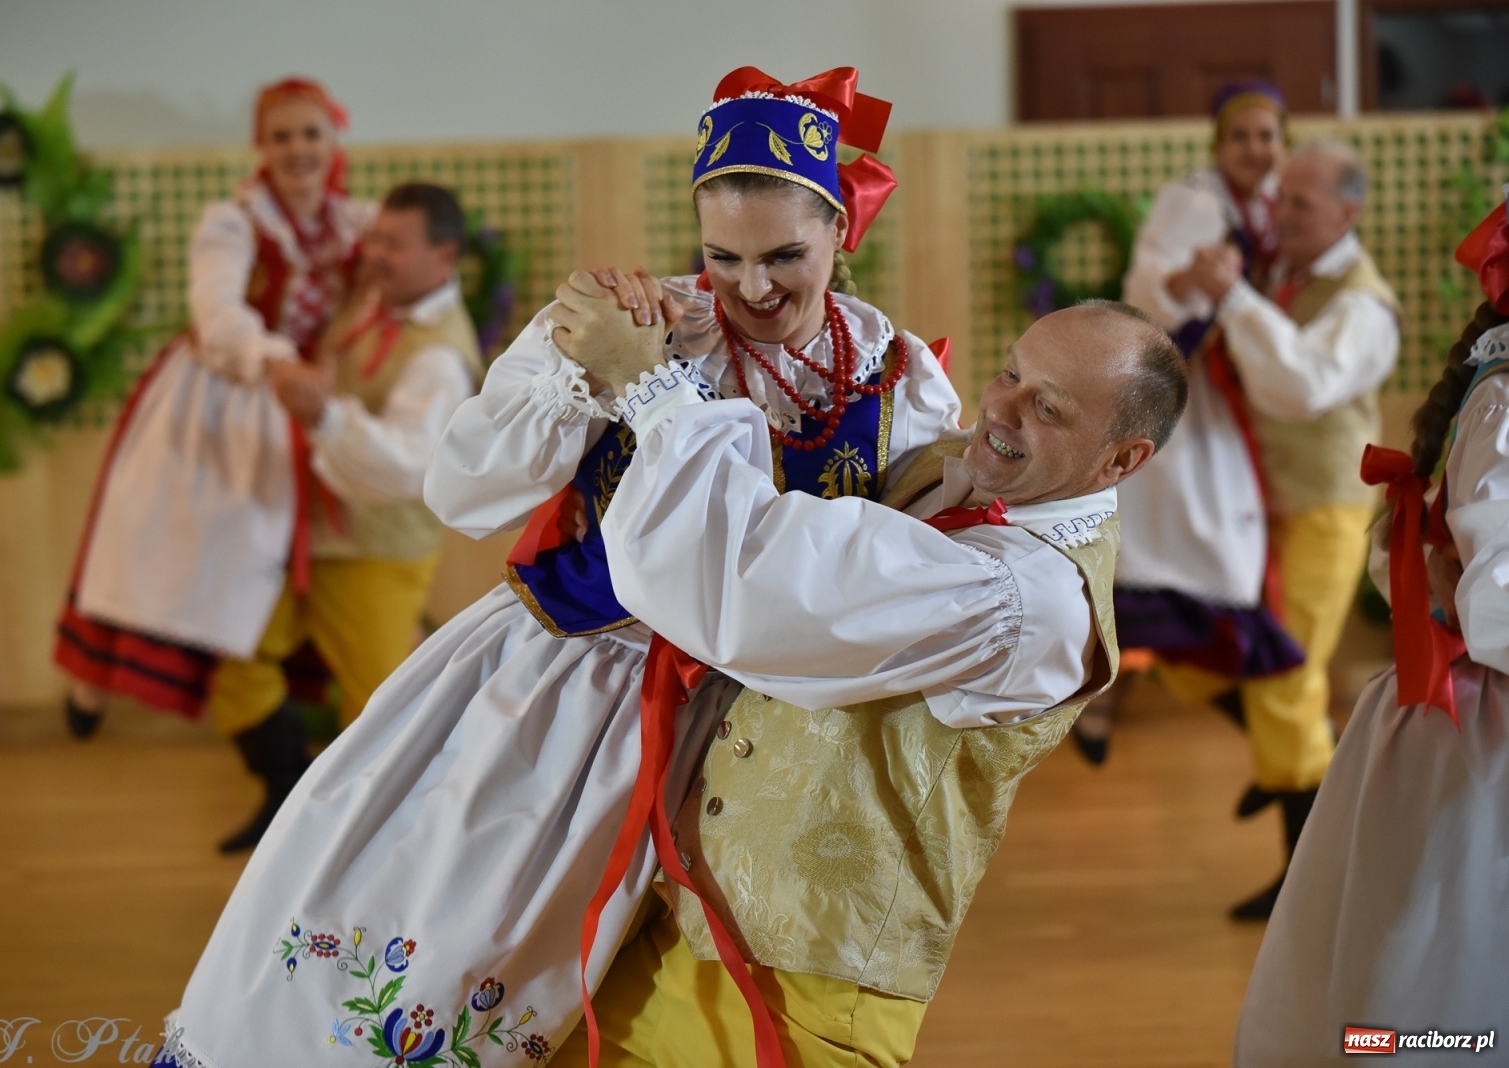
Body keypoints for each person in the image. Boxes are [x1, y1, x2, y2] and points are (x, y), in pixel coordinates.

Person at [151, 67, 962, 1068]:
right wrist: (586, 375)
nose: (753, 287)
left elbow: (904, 563)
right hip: (570, 689)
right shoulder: (630, 324)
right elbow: (461, 490)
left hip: (762, 727)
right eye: (723, 255)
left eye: (785, 255)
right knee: (445, 961)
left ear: (841, 229)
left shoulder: (895, 376)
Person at [530, 296, 1185, 1067]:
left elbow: (756, 587)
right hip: (683, 918)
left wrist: (650, 384)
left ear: (1122, 460)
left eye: (1047, 406)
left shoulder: (1024, 596)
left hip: (805, 991)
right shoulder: (955, 474)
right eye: (1010, 371)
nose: (1001, 407)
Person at [53, 77, 376, 848]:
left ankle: (286, 779)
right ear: (260, 149)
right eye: (281, 137)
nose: (298, 151)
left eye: (311, 135)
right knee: (156, 552)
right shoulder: (231, 222)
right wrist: (277, 360)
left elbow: (394, 279)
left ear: (335, 143)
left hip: (297, 411)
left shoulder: (355, 225)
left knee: (257, 592)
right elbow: (219, 315)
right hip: (217, 401)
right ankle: (92, 678)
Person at [1233, 199, 1509, 1066]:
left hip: (1469, 722)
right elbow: (1498, 597)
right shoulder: (1505, 407)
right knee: (1440, 1002)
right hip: (1479, 737)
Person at [206, 181, 482, 851]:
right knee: (238, 657)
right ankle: (285, 805)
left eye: (395, 243)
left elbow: (406, 468)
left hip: (376, 552)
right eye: (376, 239)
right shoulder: (374, 299)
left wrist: (323, 414)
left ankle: (390, 853)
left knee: (380, 714)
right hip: (310, 533)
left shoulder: (440, 355)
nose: (376, 253)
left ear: (443, 257)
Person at [1174, 139, 1401, 919]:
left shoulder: (1364, 305)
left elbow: (1304, 387)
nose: (1283, 213)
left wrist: (1234, 301)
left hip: (1327, 507)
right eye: (1281, 199)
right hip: (1253, 505)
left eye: (1301, 202)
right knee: (1186, 648)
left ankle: (1307, 880)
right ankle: (1291, 763)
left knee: (1283, 672)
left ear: (1349, 210)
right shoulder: (1275, 275)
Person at [1077, 80, 1302, 765]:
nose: (1254, 149)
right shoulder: (1194, 202)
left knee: (1224, 559)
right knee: (1181, 547)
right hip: (1185, 395)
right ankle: (1103, 694)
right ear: (1218, 144)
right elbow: (1146, 286)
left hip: (1236, 394)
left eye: (1266, 136)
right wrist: (1195, 282)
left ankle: (1274, 738)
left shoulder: (1273, 208)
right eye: (1241, 136)